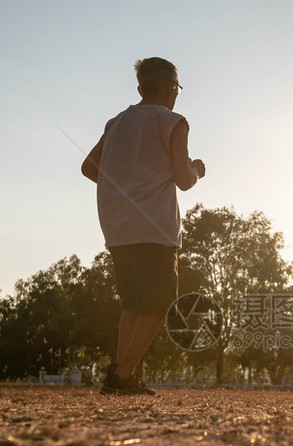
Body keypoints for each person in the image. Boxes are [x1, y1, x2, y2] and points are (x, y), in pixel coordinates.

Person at [81, 57, 205, 395]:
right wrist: (198, 168)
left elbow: (89, 168)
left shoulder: (116, 123)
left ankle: (120, 377)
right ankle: (122, 374)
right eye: (177, 88)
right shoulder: (174, 122)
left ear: (140, 88)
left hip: (117, 225)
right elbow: (183, 179)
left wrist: (125, 182)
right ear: (170, 90)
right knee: (161, 302)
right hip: (154, 226)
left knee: (133, 303)